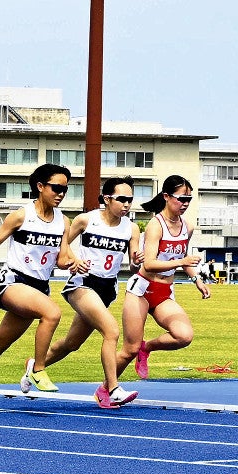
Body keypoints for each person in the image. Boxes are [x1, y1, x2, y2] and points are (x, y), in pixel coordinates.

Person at [0, 163, 75, 409]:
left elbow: (62, 259)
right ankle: (37, 369)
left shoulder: (64, 222)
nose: (61, 193)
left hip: (39, 287)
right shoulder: (22, 215)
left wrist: (75, 264)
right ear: (40, 187)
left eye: (65, 188)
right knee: (52, 313)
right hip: (14, 281)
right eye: (56, 188)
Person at [42, 177, 143, 409]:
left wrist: (137, 261)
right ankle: (112, 389)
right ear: (107, 199)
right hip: (82, 284)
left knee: (71, 343)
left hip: (107, 289)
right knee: (111, 331)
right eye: (121, 199)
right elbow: (59, 247)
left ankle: (35, 366)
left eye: (130, 200)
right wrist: (73, 260)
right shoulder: (86, 220)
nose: (126, 205)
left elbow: (135, 266)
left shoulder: (131, 228)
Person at [116, 175, 210, 382]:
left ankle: (146, 347)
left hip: (164, 292)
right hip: (141, 290)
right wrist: (182, 261)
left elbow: (182, 260)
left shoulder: (187, 227)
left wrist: (197, 280)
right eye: (181, 198)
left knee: (183, 336)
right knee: (128, 349)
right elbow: (149, 264)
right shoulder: (155, 225)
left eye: (188, 199)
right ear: (166, 197)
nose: (185, 203)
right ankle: (107, 388)